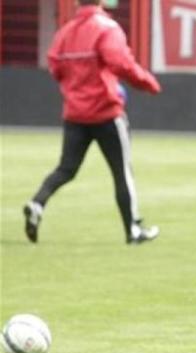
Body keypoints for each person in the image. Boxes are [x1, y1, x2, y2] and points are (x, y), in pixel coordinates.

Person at [24, 0, 162, 245]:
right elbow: (121, 63)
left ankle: (37, 203)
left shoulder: (65, 32)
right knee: (122, 172)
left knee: (66, 169)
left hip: (75, 114)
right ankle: (133, 230)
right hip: (106, 112)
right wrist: (148, 83)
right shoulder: (106, 28)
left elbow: (55, 68)